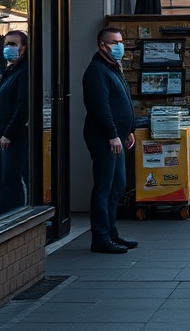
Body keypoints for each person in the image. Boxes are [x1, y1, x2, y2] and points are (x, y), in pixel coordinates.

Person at [82, 27, 138, 254]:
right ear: (101, 45)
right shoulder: (96, 70)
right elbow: (100, 107)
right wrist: (112, 134)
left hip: (118, 137)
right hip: (105, 138)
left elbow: (122, 101)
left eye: (121, 42)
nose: (119, 46)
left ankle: (111, 233)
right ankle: (101, 237)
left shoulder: (113, 67)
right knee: (104, 187)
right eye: (114, 42)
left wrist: (129, 130)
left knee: (117, 186)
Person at [0, 29, 29, 218]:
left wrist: (8, 134)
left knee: (10, 178)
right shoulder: (9, 71)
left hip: (13, 137)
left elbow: (23, 107)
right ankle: (0, 214)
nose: (8, 48)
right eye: (6, 44)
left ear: (23, 48)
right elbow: (0, 104)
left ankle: (13, 217)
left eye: (13, 44)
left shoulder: (24, 72)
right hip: (1, 135)